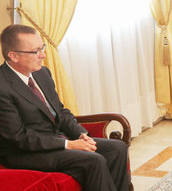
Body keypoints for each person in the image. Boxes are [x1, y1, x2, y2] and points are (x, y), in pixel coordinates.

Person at [0, 24, 129, 191]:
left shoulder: (42, 73)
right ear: (13, 56)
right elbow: (19, 137)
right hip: (25, 152)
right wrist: (69, 145)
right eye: (35, 51)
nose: (43, 55)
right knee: (94, 160)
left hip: (57, 139)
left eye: (42, 48)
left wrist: (81, 134)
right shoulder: (3, 87)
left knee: (117, 148)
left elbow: (60, 112)